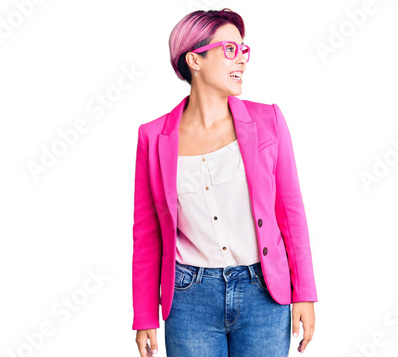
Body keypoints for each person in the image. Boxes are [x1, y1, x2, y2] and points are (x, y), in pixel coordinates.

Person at [132, 8, 318, 357]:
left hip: (263, 294)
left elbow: (291, 213)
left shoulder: (269, 121)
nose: (242, 60)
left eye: (244, 50)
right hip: (190, 300)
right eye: (230, 49)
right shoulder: (153, 137)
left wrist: (304, 292)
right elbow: (147, 234)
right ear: (194, 59)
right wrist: (144, 315)